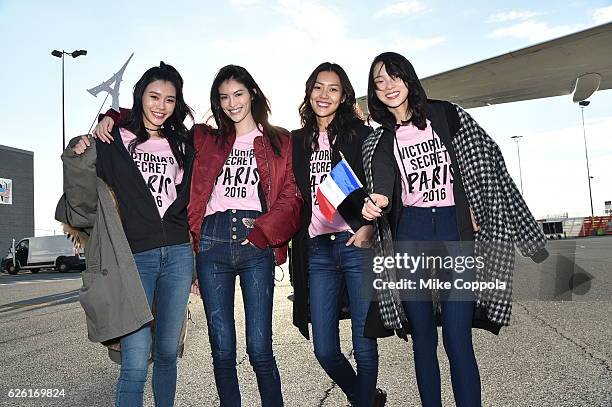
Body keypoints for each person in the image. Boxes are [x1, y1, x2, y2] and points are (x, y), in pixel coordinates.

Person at [95, 64, 302, 407]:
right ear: (216, 103)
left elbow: (292, 195)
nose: (232, 103)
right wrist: (113, 115)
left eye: (238, 94)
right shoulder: (205, 137)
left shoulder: (280, 140)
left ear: (253, 93)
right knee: (221, 349)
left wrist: (265, 232)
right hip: (211, 242)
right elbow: (156, 116)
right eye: (223, 97)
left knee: (260, 348)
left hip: (256, 240)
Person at [361, 52, 549, 407]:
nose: (388, 86)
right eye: (379, 81)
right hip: (410, 238)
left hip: (453, 232)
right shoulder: (380, 139)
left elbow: (487, 160)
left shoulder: (446, 115)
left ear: (408, 78)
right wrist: (377, 201)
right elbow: (382, 182)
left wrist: (476, 208)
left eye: (393, 76)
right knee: (423, 339)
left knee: (458, 338)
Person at [73, 62, 196, 407]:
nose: (161, 106)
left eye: (170, 100)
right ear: (140, 96)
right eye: (154, 96)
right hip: (133, 257)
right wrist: (88, 138)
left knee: (169, 354)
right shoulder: (115, 138)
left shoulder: (184, 143)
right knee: (135, 361)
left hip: (178, 255)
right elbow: (82, 183)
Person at [290, 62, 386, 407]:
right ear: (308, 91)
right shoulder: (297, 141)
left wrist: (369, 226)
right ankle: (367, 398)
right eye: (318, 87)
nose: (324, 95)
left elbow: (382, 183)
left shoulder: (359, 135)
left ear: (345, 95)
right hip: (317, 251)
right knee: (325, 348)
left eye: (333, 88)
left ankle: (363, 402)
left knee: (363, 341)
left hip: (355, 246)